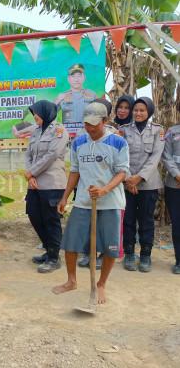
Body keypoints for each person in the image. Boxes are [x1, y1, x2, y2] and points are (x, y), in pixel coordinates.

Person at [53, 102, 129, 304]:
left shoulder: (118, 143)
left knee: (110, 247)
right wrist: (65, 196)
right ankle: (71, 281)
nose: (90, 128)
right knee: (71, 242)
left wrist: (104, 189)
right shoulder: (78, 143)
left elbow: (122, 172)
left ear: (104, 121)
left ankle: (101, 284)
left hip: (111, 202)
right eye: (86, 123)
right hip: (84, 202)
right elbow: (75, 171)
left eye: (94, 124)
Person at [120, 97, 165, 272]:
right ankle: (130, 254)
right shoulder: (124, 130)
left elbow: (155, 158)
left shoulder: (158, 131)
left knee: (146, 221)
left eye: (142, 110)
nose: (138, 113)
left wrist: (139, 178)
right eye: (136, 110)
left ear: (149, 112)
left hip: (148, 184)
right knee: (129, 220)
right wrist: (129, 179)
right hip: (127, 183)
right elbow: (122, 156)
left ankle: (146, 255)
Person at [24, 100, 69, 273]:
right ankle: (49, 250)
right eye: (33, 113)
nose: (35, 116)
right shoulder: (35, 132)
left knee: (51, 221)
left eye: (37, 113)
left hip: (52, 183)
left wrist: (31, 172)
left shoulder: (59, 130)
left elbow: (52, 155)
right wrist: (30, 174)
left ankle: (54, 257)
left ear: (46, 112)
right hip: (34, 184)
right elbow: (28, 154)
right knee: (34, 215)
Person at [76, 98, 117, 268]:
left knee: (102, 225)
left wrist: (105, 188)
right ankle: (87, 252)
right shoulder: (82, 135)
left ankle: (101, 254)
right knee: (87, 224)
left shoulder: (114, 135)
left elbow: (118, 167)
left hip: (105, 189)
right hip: (85, 185)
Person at [54, 64, 97, 135]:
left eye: (79, 76)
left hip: (87, 135)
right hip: (68, 137)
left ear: (84, 77)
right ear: (68, 79)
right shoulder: (62, 96)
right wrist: (57, 100)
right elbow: (50, 115)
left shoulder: (92, 95)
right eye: (73, 76)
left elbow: (99, 114)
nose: (76, 79)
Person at [162, 123, 180, 274]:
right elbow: (166, 156)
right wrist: (177, 175)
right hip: (175, 185)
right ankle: (179, 260)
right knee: (178, 225)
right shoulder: (172, 132)